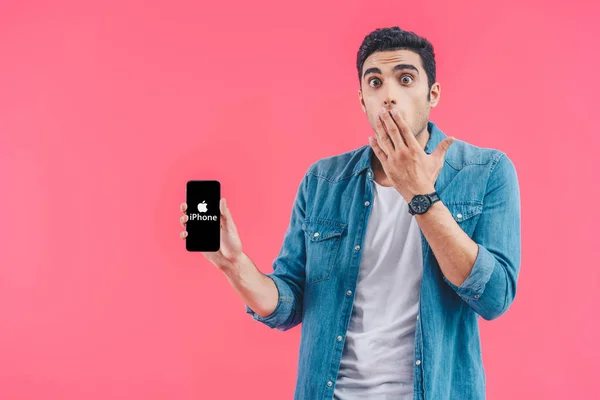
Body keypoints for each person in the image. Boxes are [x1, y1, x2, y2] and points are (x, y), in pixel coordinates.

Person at [179, 26, 521, 400]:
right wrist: (234, 265)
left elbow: (494, 297)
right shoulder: (323, 181)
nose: (389, 96)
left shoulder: (485, 171)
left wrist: (420, 195)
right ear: (362, 100)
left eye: (405, 79)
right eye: (375, 83)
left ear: (432, 93)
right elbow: (288, 303)